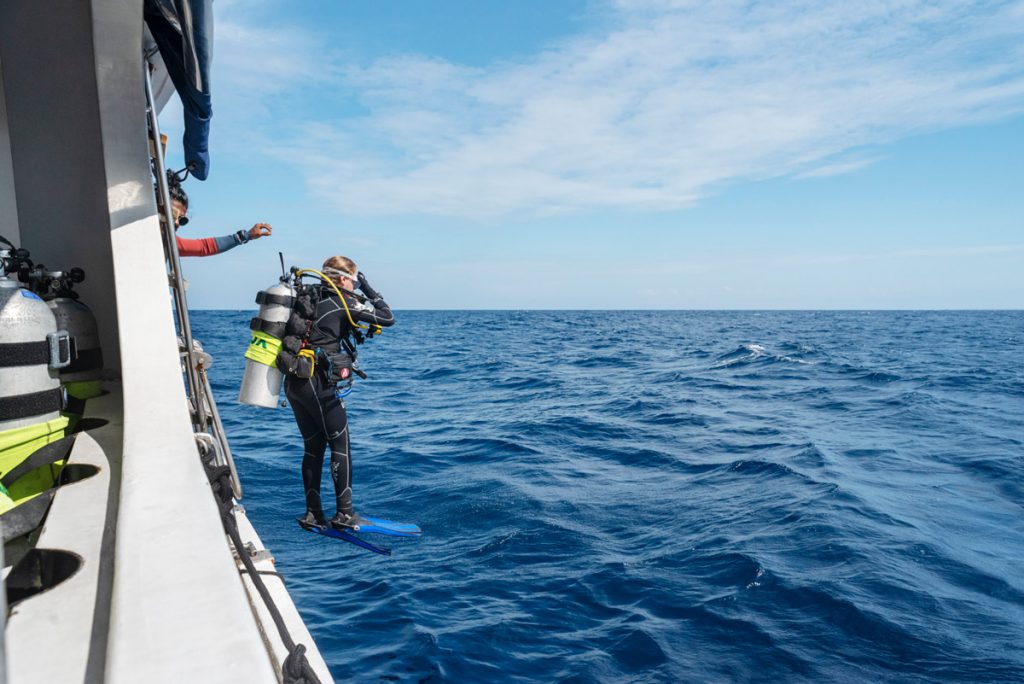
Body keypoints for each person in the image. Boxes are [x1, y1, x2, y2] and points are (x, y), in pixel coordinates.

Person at [287, 256, 395, 531]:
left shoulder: (308, 297)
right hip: (317, 382)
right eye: (354, 279)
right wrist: (370, 290)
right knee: (340, 443)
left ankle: (313, 513)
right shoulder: (343, 302)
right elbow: (387, 317)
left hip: (295, 380)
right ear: (342, 279)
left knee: (314, 447)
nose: (355, 284)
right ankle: (344, 514)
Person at [167, 180, 272, 257]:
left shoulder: (169, 242)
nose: (177, 223)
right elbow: (203, 248)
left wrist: (247, 235)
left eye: (182, 220)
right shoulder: (163, 241)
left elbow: (203, 247)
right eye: (173, 215)